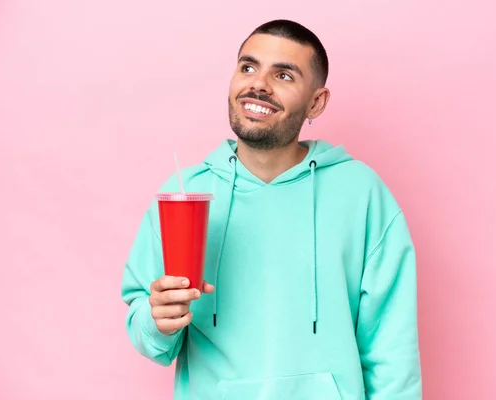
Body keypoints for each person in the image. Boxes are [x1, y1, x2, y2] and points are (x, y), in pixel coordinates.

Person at [121, 18, 422, 400]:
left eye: (284, 75)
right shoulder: (186, 193)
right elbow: (147, 334)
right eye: (248, 67)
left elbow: (392, 352)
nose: (258, 85)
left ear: (316, 101)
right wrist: (157, 320)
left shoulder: (362, 194)